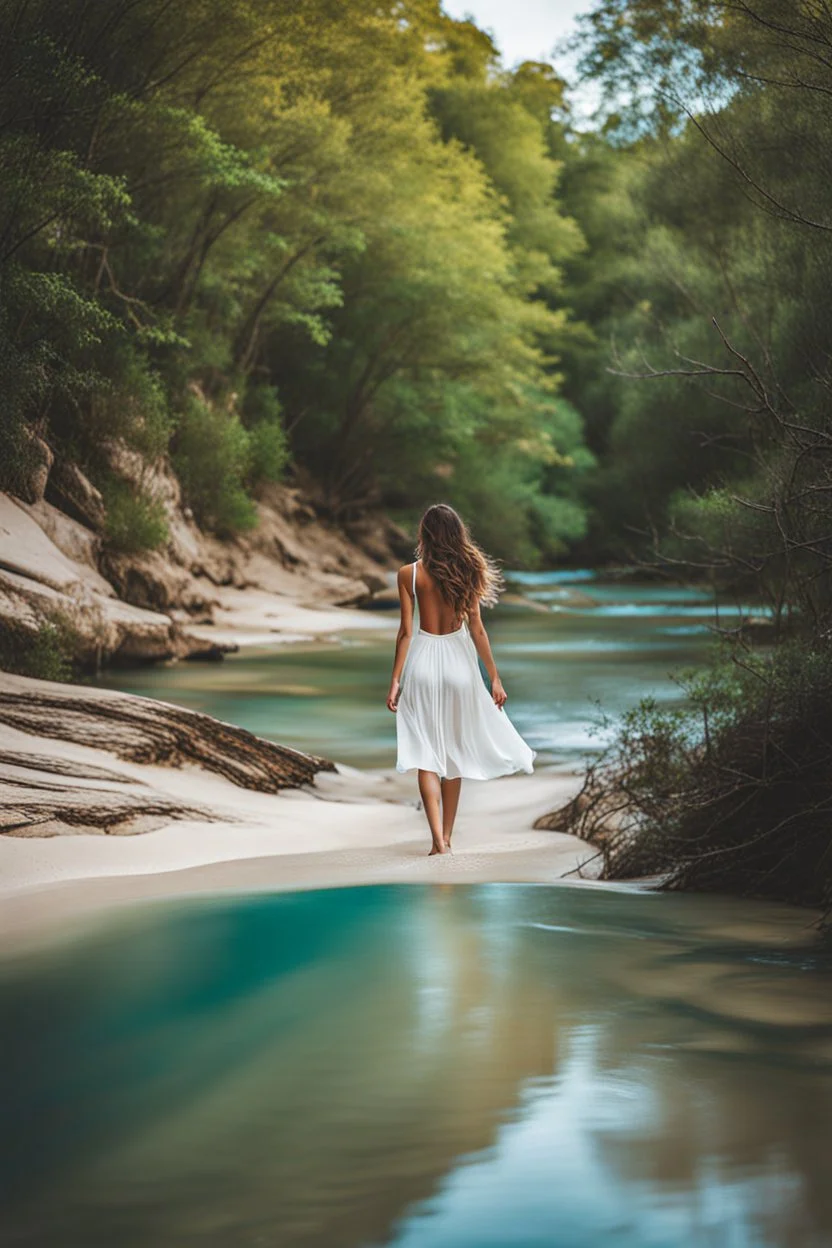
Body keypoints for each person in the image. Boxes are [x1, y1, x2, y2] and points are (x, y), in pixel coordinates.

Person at [386, 503, 535, 856]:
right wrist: (494, 678)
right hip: (459, 666)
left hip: (422, 663)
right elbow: (478, 630)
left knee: (425, 755)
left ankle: (436, 840)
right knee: (453, 757)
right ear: (457, 534)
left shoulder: (408, 574)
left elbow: (406, 632)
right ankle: (448, 839)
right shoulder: (468, 570)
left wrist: (395, 680)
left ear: (424, 534)